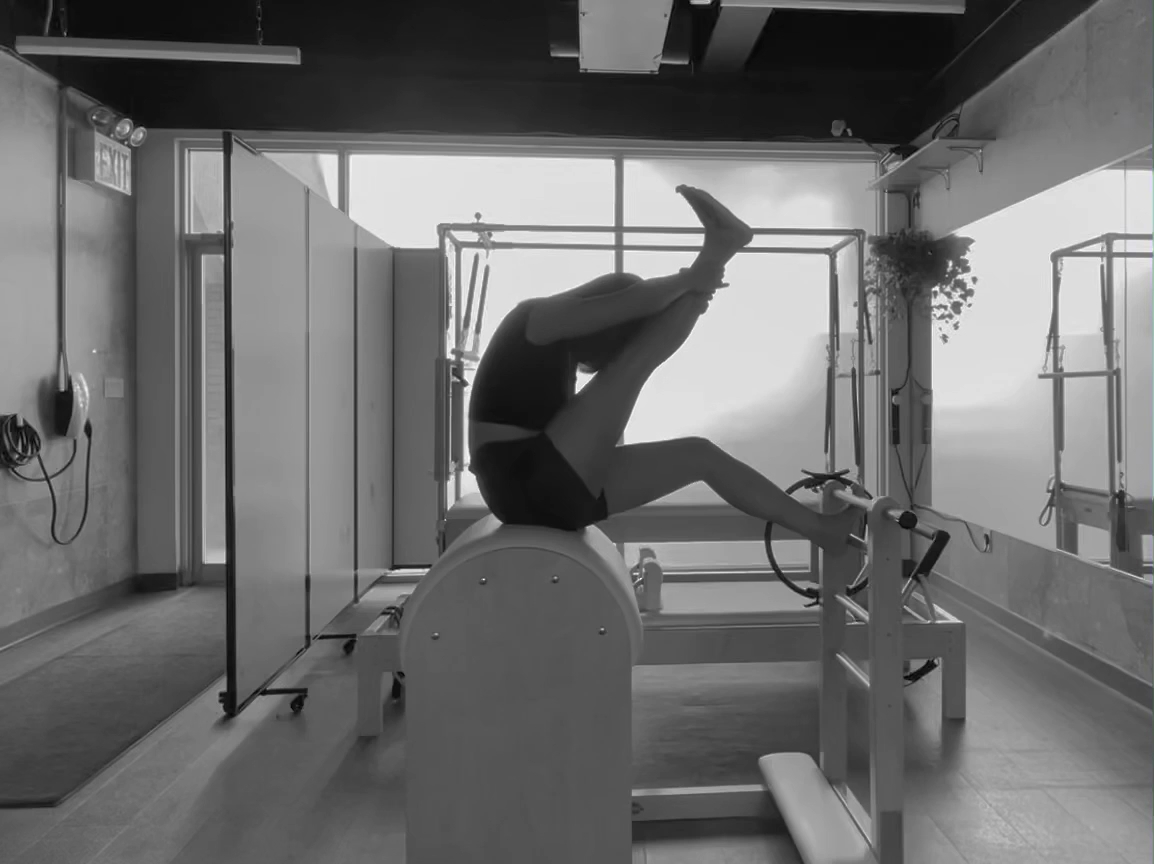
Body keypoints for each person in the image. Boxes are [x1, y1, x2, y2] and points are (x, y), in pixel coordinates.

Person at [467, 185, 861, 555]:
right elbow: (632, 305)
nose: (594, 365)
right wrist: (694, 278)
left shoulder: (549, 336)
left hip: (538, 491)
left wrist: (695, 286)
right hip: (522, 479)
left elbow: (637, 318)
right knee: (637, 361)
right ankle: (720, 247)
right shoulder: (535, 318)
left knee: (699, 455)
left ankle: (821, 530)